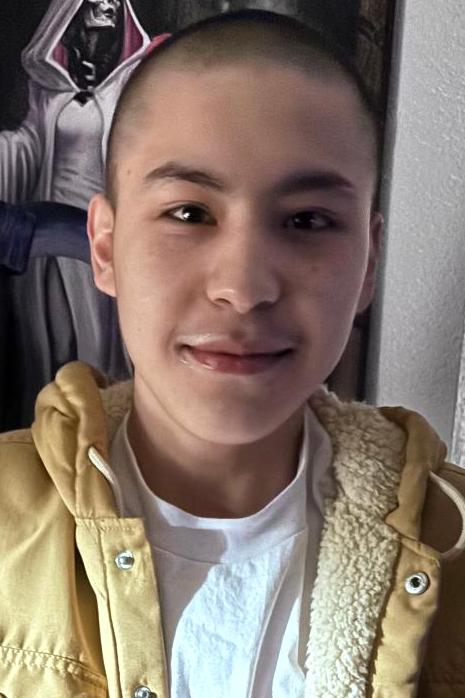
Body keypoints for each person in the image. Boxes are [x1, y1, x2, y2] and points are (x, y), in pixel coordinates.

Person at [1, 8, 465, 697]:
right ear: (105, 247)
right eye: (189, 213)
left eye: (307, 220)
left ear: (368, 262)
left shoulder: (452, 544)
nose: (244, 289)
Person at [0, 0, 151, 208]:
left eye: (114, 1)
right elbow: (28, 145)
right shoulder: (48, 87)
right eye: (100, 1)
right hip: (55, 213)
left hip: (108, 215)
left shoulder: (130, 88)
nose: (109, 7)